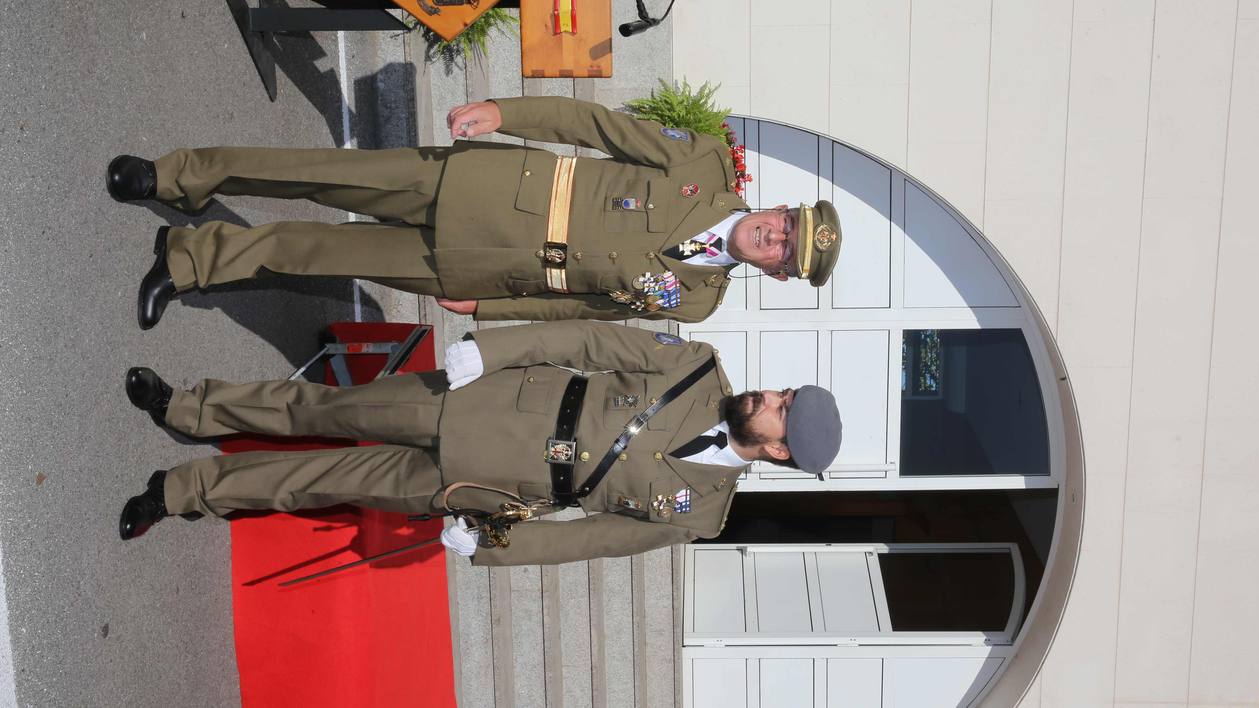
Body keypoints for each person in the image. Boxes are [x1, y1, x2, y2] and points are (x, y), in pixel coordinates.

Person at [118, 320, 843, 566]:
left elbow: (586, 541)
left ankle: (181, 491)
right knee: (329, 405)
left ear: (777, 452)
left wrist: (495, 546)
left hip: (485, 488)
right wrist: (493, 352)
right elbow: (586, 339)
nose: (770, 396)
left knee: (321, 480)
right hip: (488, 398)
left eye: (781, 410)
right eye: (783, 392)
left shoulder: (700, 516)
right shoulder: (697, 367)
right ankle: (188, 405)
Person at [106, 96, 843, 330]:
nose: (777, 237)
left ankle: (188, 259)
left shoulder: (700, 301)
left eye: (787, 251)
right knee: (320, 176)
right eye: (788, 225)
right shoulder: (703, 164)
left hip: (493, 266)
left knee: (320, 254)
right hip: (491, 188)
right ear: (779, 206)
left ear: (777, 273)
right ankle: (179, 175)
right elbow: (597, 128)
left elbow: (593, 309)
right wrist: (506, 113)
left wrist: (490, 310)